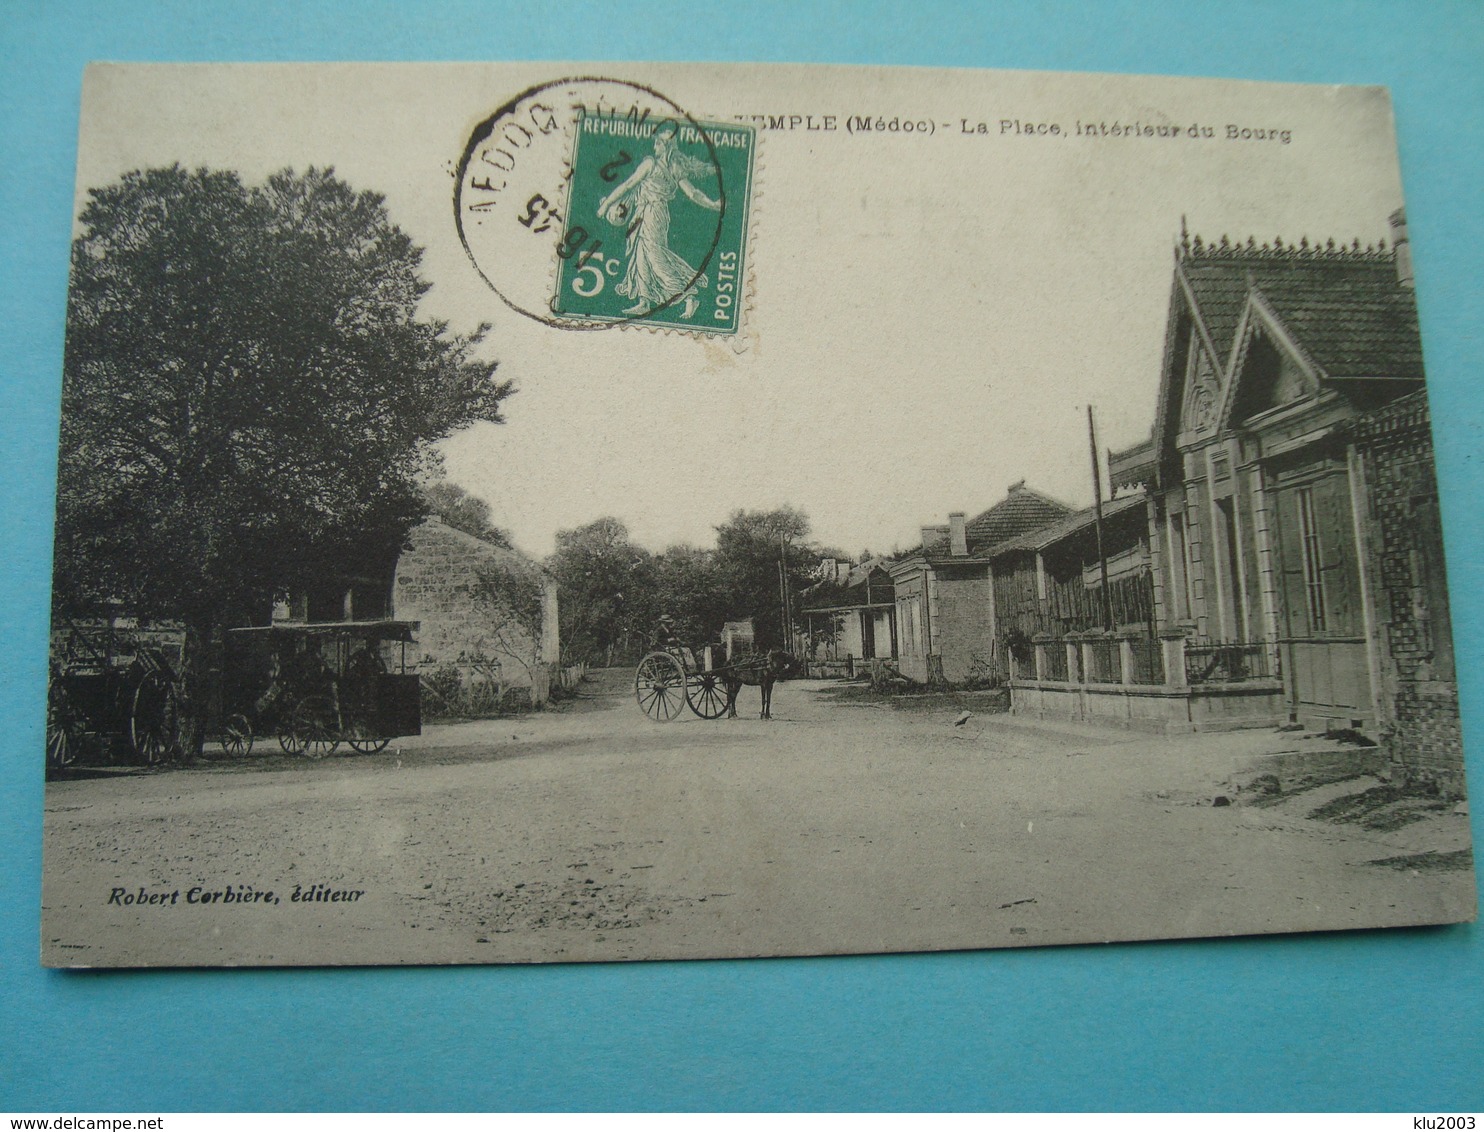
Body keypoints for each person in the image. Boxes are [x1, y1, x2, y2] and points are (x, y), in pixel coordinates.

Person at [596, 120, 721, 319]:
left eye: (658, 144)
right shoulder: (670, 168)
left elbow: (629, 185)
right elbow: (694, 193)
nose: (654, 147)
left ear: (666, 147)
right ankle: (644, 301)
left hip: (654, 213)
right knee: (641, 255)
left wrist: (605, 205)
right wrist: (712, 204)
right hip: (646, 212)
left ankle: (688, 295)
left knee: (655, 256)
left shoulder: (655, 165)